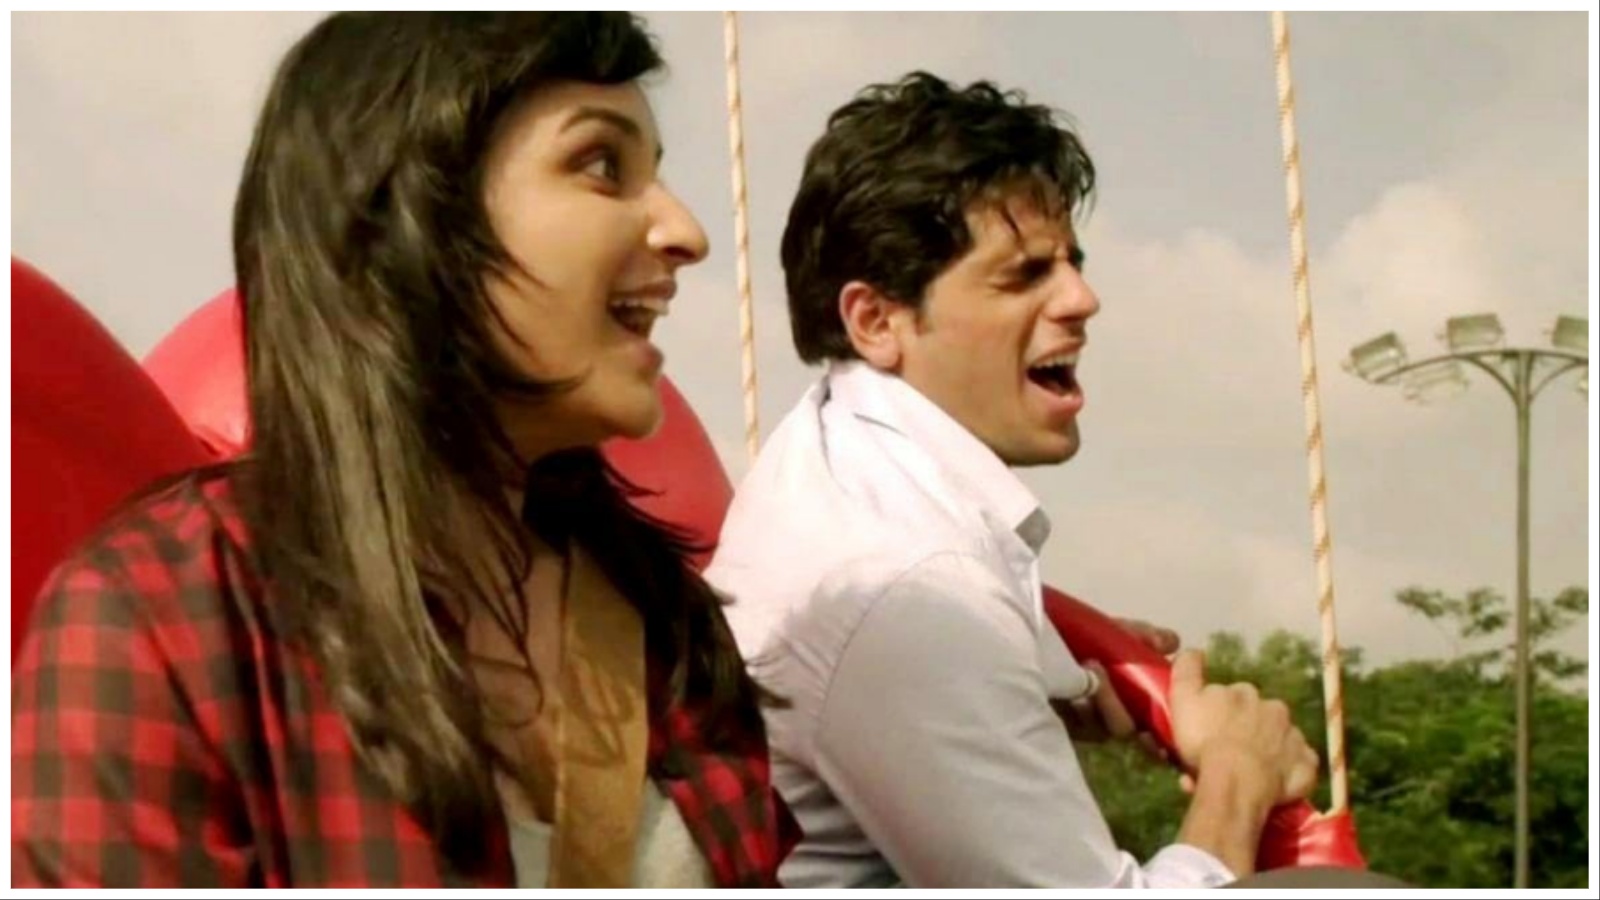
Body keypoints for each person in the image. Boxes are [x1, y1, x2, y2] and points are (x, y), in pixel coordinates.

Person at [11, 12, 796, 888]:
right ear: (405, 216)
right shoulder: (165, 621)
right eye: (602, 164)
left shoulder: (667, 622)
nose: (686, 232)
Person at [705, 72, 1321, 888]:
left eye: (1072, 263)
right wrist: (1238, 776)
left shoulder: (834, 460)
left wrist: (1039, 685)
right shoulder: (906, 585)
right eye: (1026, 274)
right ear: (876, 321)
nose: (1083, 299)